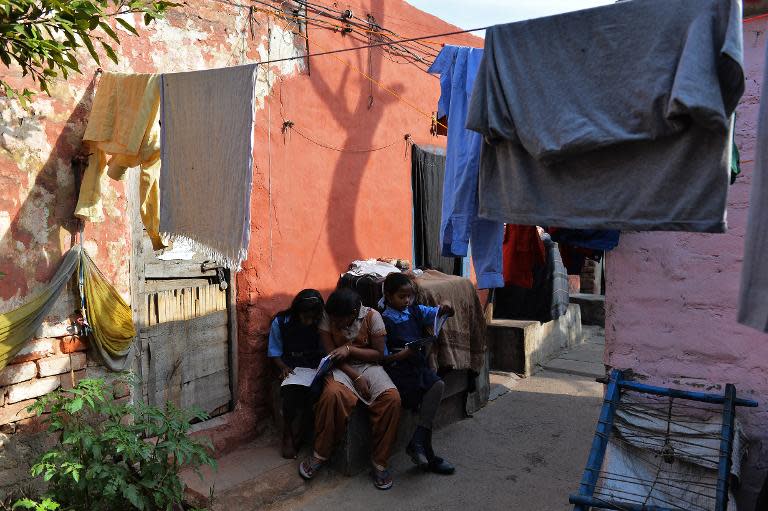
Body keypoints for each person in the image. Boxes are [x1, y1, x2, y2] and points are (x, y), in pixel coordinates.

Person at [299, 288, 401, 490]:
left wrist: (350, 349)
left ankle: (379, 462)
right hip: (340, 367)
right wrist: (356, 377)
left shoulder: (373, 317)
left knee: (392, 399)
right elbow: (331, 355)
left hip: (368, 366)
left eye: (340, 320)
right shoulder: (329, 317)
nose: (335, 323)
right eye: (333, 319)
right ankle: (320, 454)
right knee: (332, 395)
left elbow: (378, 355)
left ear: (354, 313)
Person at [381, 272, 456, 475]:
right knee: (428, 396)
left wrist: (446, 306)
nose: (406, 301)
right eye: (401, 297)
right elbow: (383, 357)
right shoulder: (382, 321)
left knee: (437, 384)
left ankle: (418, 442)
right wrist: (404, 354)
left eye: (409, 297)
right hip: (399, 372)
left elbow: (438, 312)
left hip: (418, 366)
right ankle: (426, 451)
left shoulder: (414, 311)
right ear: (388, 296)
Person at [268, 289, 325, 459]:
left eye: (312, 318)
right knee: (290, 393)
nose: (308, 321)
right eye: (305, 317)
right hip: (291, 366)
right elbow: (274, 351)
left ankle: (301, 433)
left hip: (313, 367)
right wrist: (282, 367)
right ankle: (288, 433)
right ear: (297, 311)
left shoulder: (320, 322)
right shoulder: (281, 321)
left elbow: (325, 348)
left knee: (315, 393)